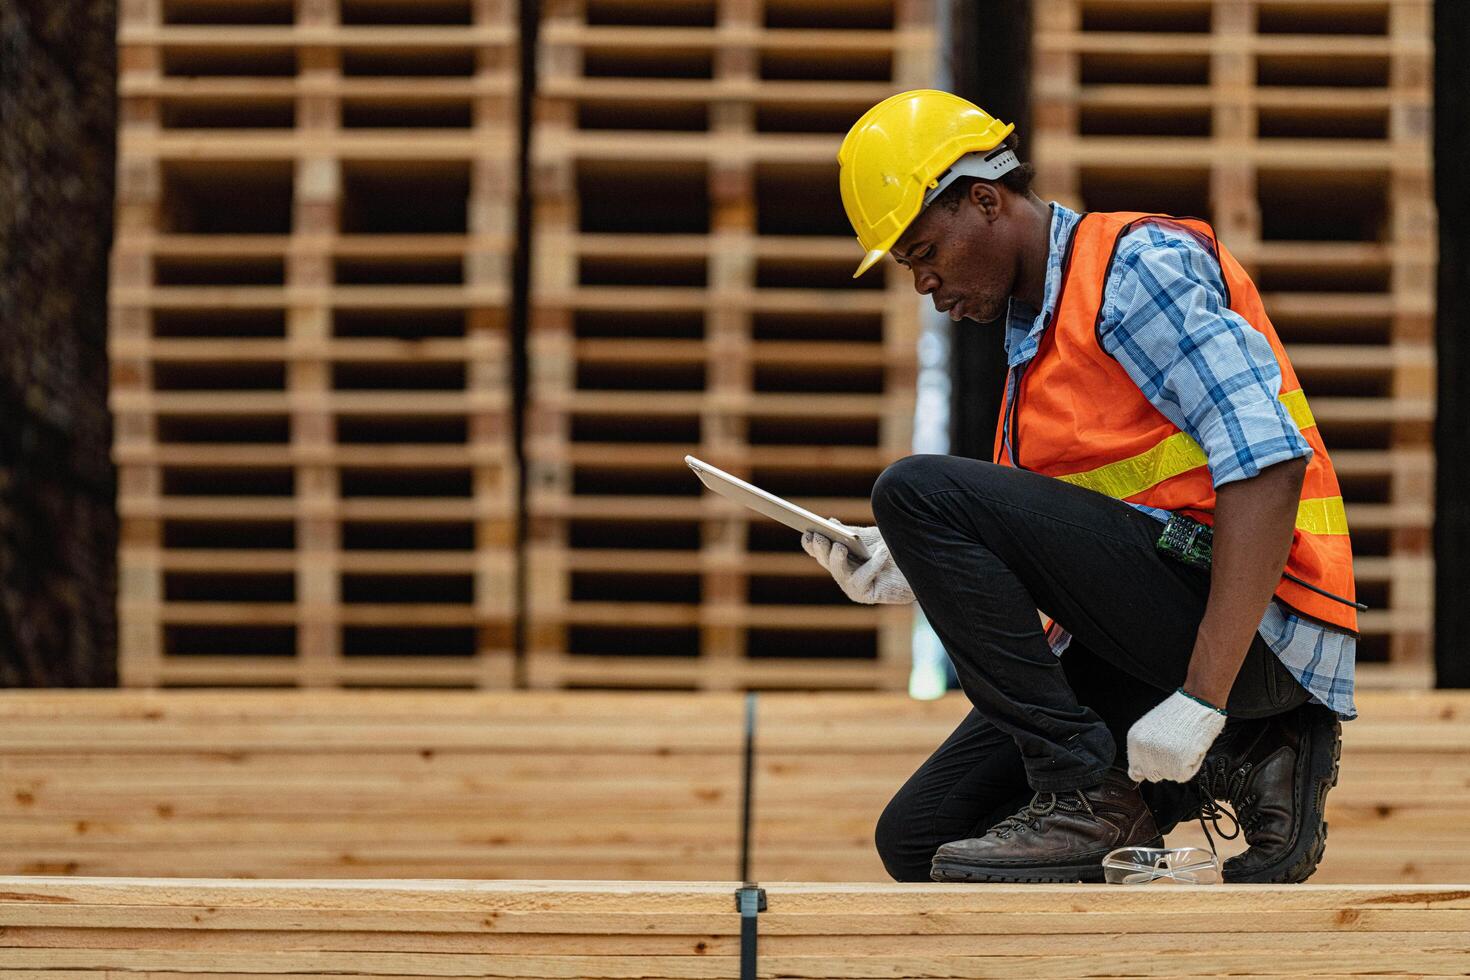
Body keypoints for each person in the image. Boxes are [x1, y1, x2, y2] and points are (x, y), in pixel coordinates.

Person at [801, 90, 1362, 884]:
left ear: (986, 200)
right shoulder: (1034, 355)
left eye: (925, 250)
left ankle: (1092, 790)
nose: (923, 282)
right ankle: (1243, 757)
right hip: (1162, 632)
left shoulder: (1132, 272)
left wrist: (1203, 697)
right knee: (923, 839)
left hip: (1256, 629)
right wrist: (920, 570)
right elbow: (1081, 549)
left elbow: (1268, 467)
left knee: (916, 489)